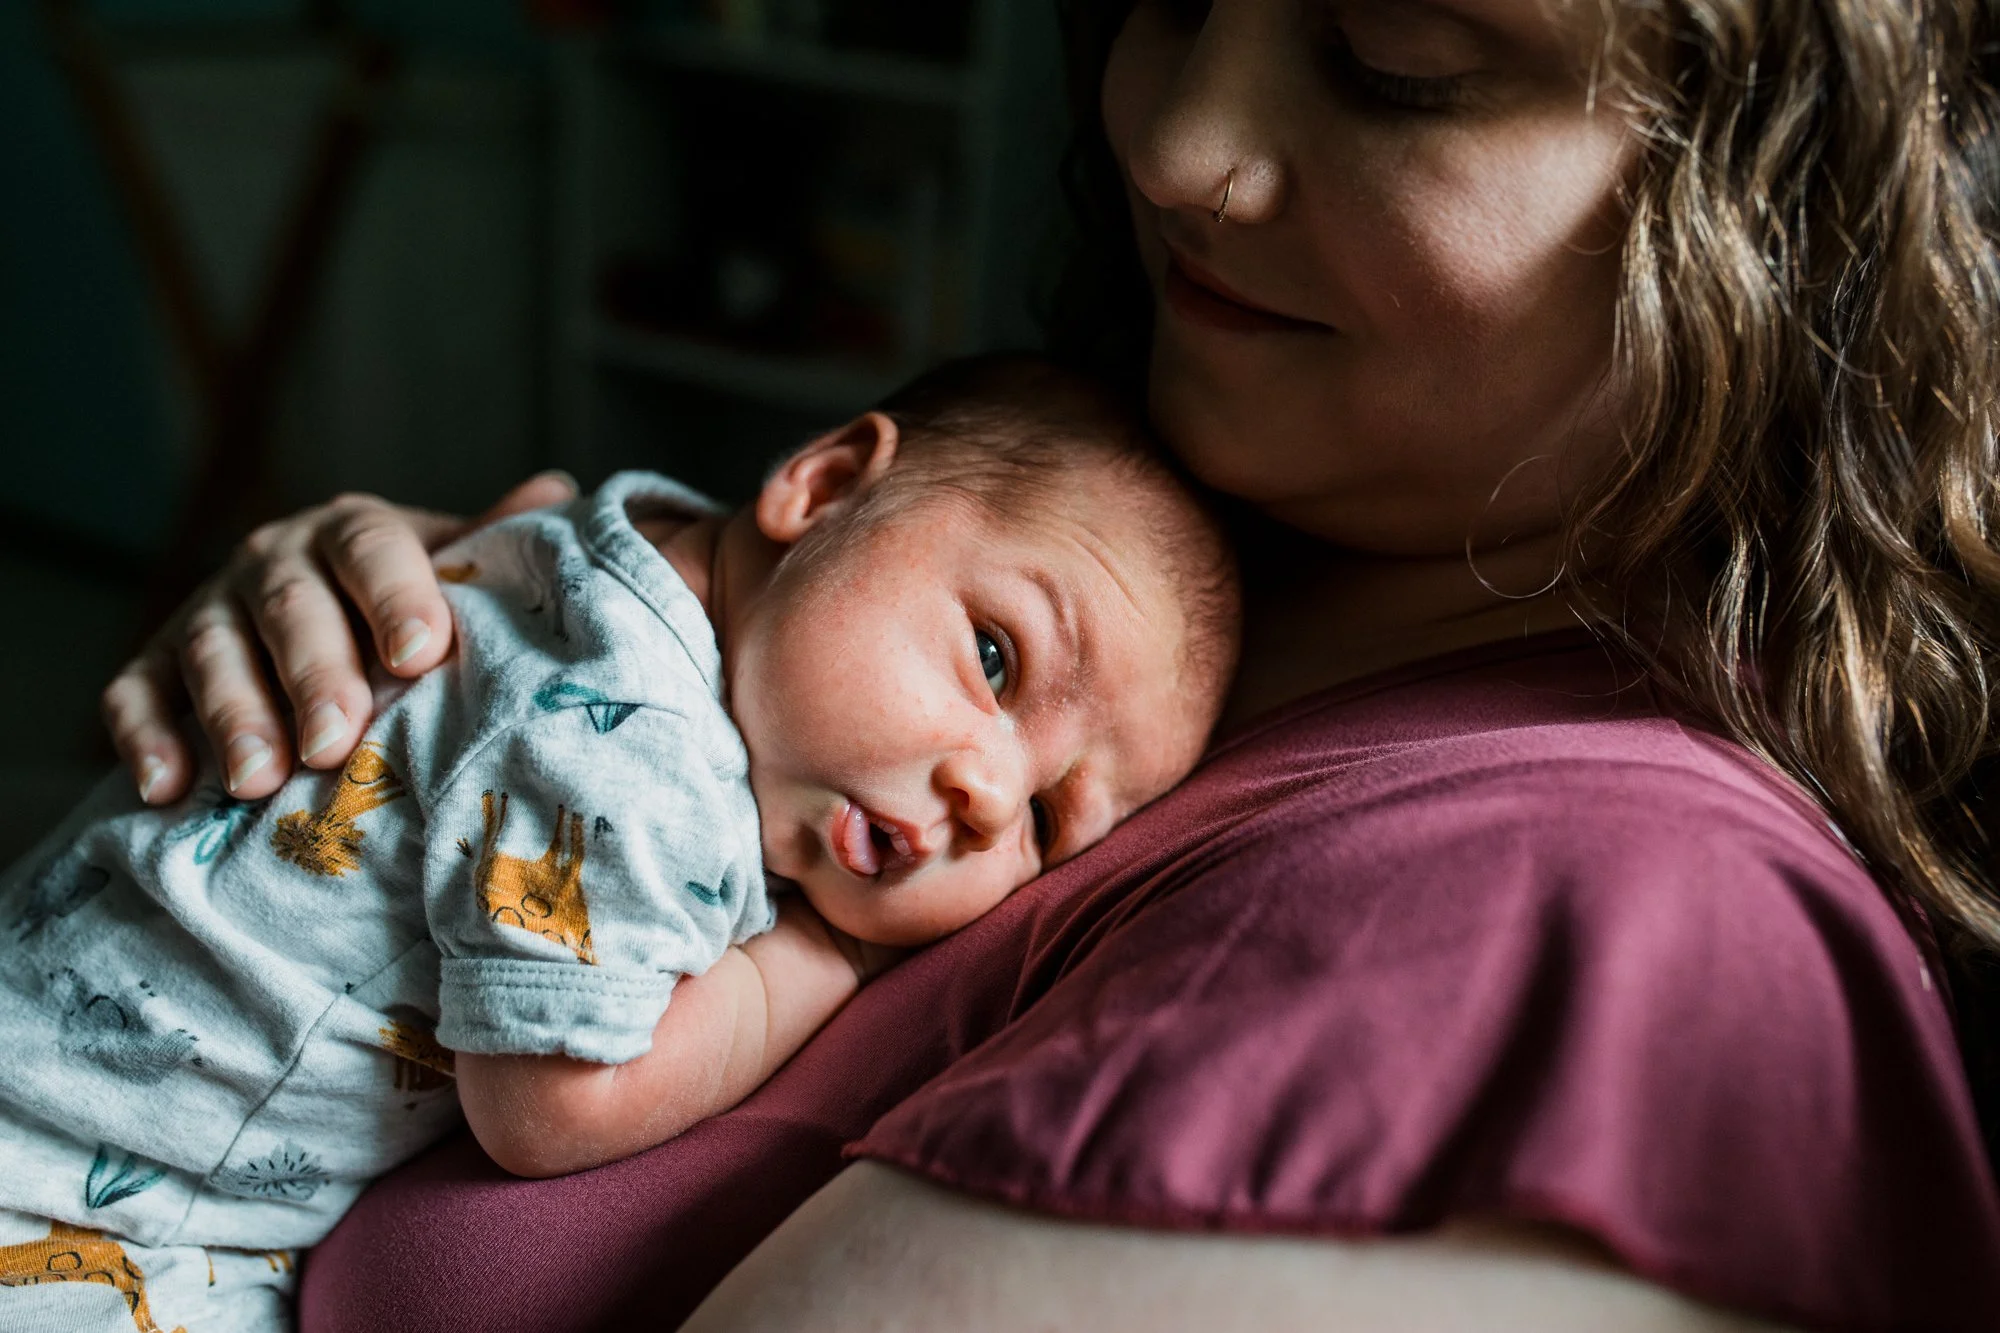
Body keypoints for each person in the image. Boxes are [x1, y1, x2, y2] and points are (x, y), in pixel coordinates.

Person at [96, 0, 2000, 1327]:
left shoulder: (1595, 936)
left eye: (1395, 61)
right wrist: (402, 677)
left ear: (1777, 220)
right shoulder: (1112, 576)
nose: (1172, 140)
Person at [0, 355, 1236, 1332]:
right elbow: (545, 1106)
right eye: (993, 657)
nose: (983, 786)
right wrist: (817, 962)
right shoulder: (641, 752)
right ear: (822, 485)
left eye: (1047, 816)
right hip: (94, 1215)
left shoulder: (587, 541)